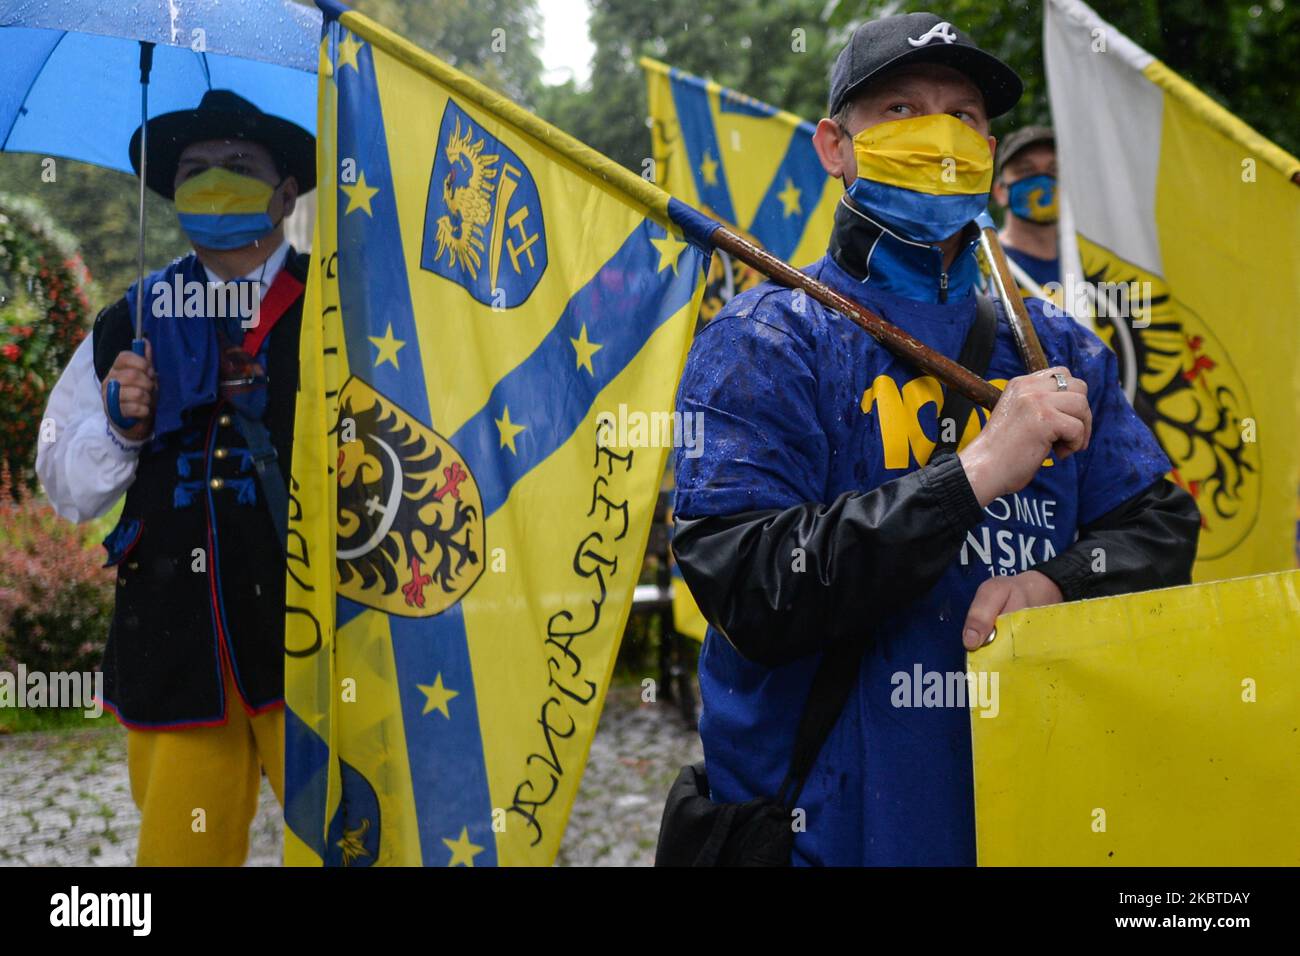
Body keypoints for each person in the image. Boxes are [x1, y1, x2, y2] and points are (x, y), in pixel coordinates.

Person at [671, 13, 1201, 866]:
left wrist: (1057, 585)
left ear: (988, 154)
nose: (940, 135)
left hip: (1027, 812)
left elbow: (1161, 529)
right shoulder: (767, 338)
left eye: (963, 116)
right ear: (834, 146)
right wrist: (977, 471)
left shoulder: (1059, 349)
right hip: (820, 831)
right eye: (901, 110)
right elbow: (751, 588)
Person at [35, 90, 314, 866]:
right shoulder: (130, 321)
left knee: (355, 849)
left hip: (322, 641)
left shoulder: (343, 308)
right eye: (195, 171)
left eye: (238, 167)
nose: (214, 183)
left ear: (285, 193)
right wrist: (121, 426)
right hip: (176, 641)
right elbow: (63, 482)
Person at [991, 125, 1061, 299]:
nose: (1043, 180)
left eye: (1054, 170)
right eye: (1026, 171)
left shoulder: (1091, 260)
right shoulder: (985, 265)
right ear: (1000, 191)